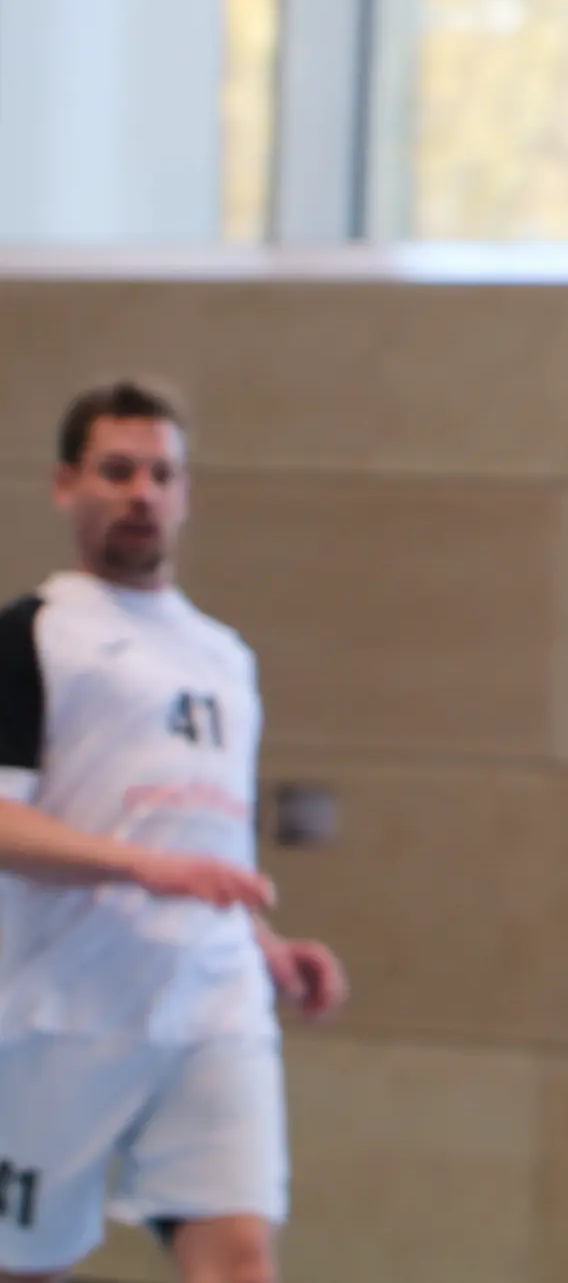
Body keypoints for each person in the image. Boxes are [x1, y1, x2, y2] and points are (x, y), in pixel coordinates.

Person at [0, 381, 348, 1283]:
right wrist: (139, 867)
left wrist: (265, 944)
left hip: (210, 1002)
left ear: (186, 492)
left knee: (240, 1258)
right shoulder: (34, 633)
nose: (141, 493)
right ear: (66, 484)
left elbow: (206, 841)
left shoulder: (226, 657)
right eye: (117, 471)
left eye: (162, 474)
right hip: (60, 1011)